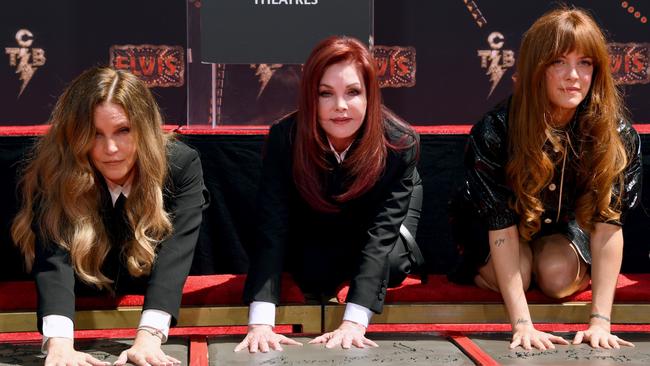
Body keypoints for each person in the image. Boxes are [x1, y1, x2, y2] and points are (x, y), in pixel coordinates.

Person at [449, 7, 642, 351]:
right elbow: (501, 229)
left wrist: (600, 322)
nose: (573, 76)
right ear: (536, 69)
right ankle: (491, 272)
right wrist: (523, 325)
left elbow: (608, 225)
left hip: (563, 230)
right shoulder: (496, 129)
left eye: (585, 62)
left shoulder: (616, 133)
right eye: (558, 62)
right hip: (499, 229)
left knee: (555, 277)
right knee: (520, 276)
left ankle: (546, 263)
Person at [235, 36, 423, 353]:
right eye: (326, 94)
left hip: (374, 230)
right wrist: (260, 324)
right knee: (310, 269)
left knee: (391, 261)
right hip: (317, 227)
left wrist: (353, 323)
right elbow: (273, 228)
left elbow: (380, 236)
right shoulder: (285, 138)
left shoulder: (401, 144)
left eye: (352, 92)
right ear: (311, 96)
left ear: (370, 95)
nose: (340, 106)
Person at [11, 67, 209, 366]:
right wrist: (60, 345)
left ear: (143, 128)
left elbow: (175, 254)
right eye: (94, 134)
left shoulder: (180, 165)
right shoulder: (55, 167)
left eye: (123, 130)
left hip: (147, 282)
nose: (111, 149)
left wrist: (149, 338)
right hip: (75, 286)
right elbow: (54, 258)